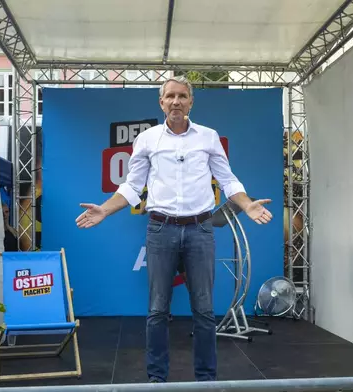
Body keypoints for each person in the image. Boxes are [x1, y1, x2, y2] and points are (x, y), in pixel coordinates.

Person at [75, 76, 272, 383]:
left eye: (183, 96)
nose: (177, 101)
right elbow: (131, 187)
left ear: (191, 102)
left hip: (200, 229)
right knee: (156, 311)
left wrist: (247, 205)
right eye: (171, 96)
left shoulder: (208, 137)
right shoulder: (148, 139)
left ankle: (206, 380)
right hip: (161, 229)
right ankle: (156, 381)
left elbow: (228, 180)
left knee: (205, 312)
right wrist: (105, 209)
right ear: (161, 102)